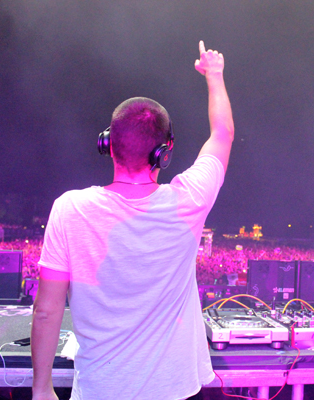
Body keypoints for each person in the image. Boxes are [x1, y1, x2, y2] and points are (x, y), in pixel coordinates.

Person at [31, 40, 234, 400]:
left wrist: (41, 388)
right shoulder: (189, 201)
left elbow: (46, 312)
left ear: (107, 144)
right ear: (164, 153)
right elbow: (222, 134)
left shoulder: (69, 209)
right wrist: (214, 74)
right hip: (175, 392)